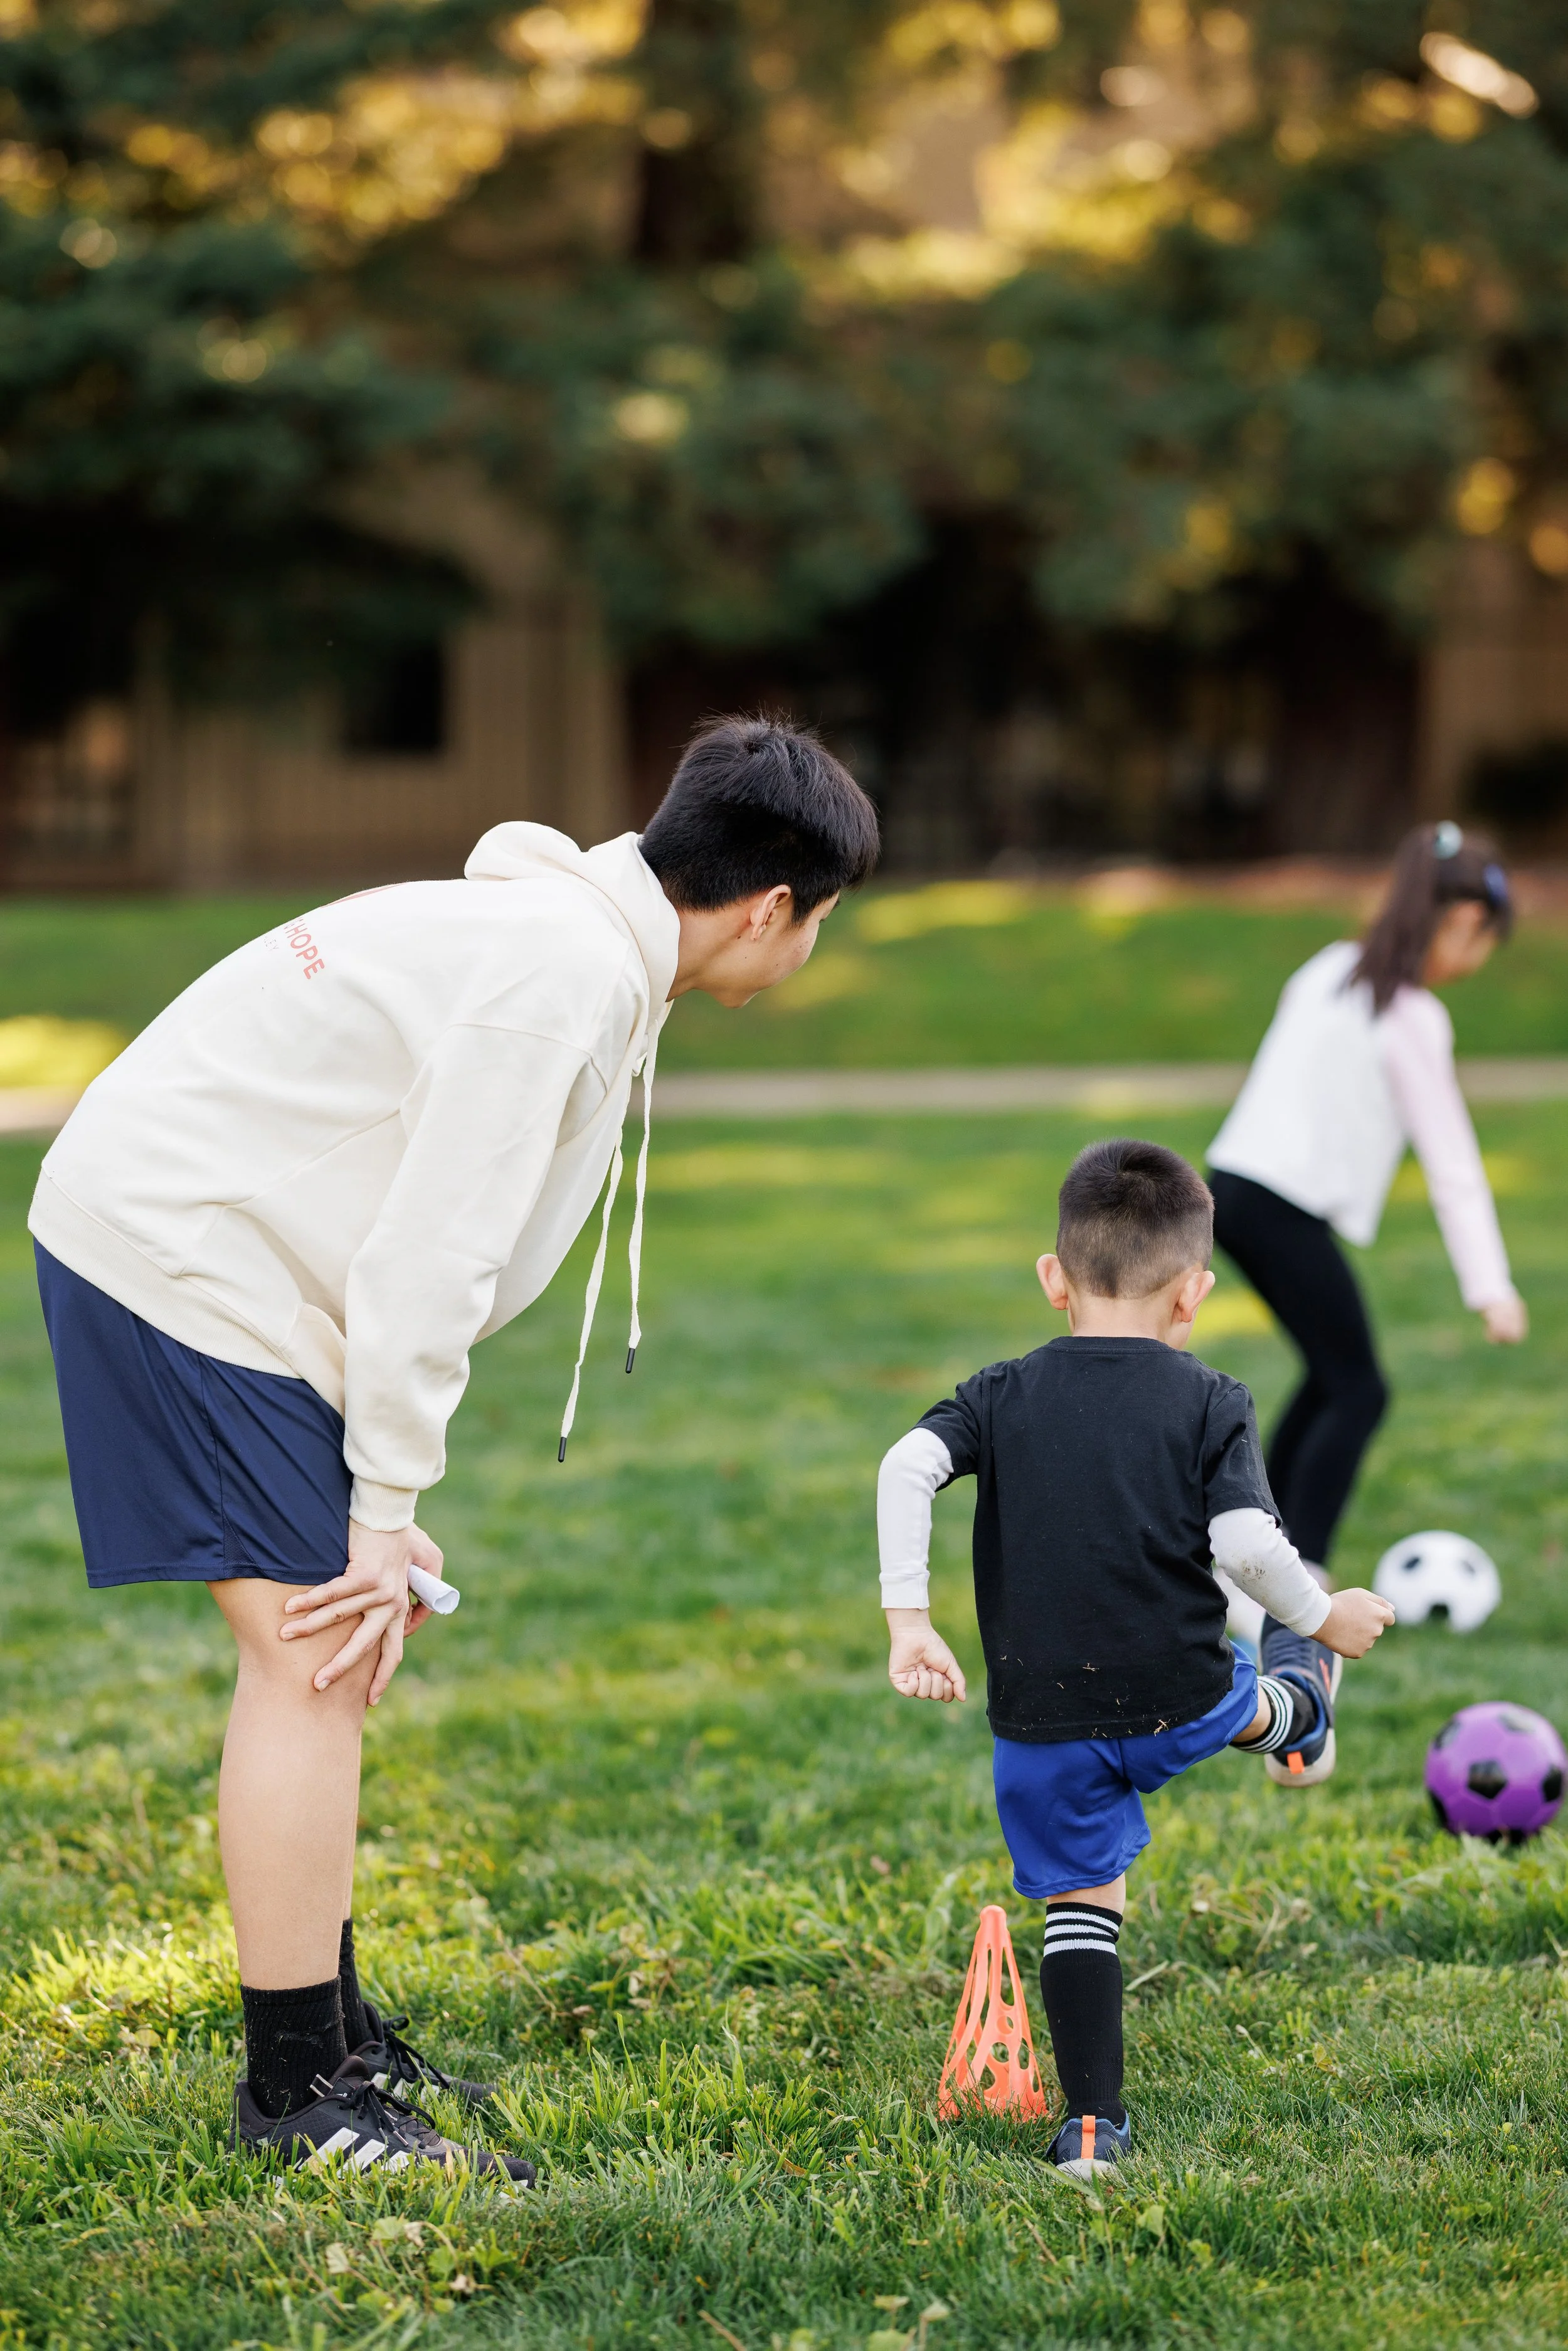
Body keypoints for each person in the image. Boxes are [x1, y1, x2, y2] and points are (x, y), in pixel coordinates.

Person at [31, 714, 877, 2178]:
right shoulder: (555, 979)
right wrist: (377, 1510)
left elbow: (377, 1210)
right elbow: (426, 1259)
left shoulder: (572, 944)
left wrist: (373, 1491)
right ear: (770, 908)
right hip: (170, 1246)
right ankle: (301, 2090)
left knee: (332, 1649)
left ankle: (334, 2038)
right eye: (823, 925)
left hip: (239, 1265)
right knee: (313, 1651)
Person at [876, 1139, 1391, 2178]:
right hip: (1185, 1695)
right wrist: (1328, 1615)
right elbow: (1246, 1546)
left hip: (1042, 1717)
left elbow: (905, 1465)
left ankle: (1092, 2131)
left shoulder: (997, 1392)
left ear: (1053, 1280)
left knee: (1083, 1902)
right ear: (1193, 1294)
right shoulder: (1211, 1398)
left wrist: (909, 1621)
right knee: (1264, 1697)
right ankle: (1302, 1706)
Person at [1207, 821, 1525, 1665]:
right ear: (1459, 923)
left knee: (1333, 1374)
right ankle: (1288, 1580)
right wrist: (1490, 1287)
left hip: (1232, 1188)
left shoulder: (1328, 972)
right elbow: (1451, 1159)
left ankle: (1241, 1555)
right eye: (1485, 940)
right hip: (1279, 1203)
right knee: (1360, 1388)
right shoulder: (1411, 1016)